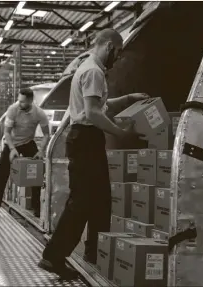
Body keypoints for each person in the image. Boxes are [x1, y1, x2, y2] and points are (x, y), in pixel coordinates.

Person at [38, 28, 149, 279]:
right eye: (118, 53)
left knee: (100, 200)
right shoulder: (93, 71)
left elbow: (102, 105)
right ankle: (53, 256)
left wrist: (129, 98)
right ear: (109, 46)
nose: (117, 58)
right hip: (86, 139)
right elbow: (93, 114)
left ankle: (97, 252)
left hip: (87, 139)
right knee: (82, 201)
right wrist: (121, 134)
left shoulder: (90, 69)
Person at [0, 88, 50, 217]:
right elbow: (7, 132)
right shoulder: (13, 109)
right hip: (11, 143)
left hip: (28, 143)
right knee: (1, 173)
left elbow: (46, 134)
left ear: (30, 100)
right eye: (19, 100)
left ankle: (37, 208)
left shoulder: (39, 113)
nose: (19, 103)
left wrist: (41, 151)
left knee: (36, 172)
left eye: (22, 101)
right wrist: (12, 149)